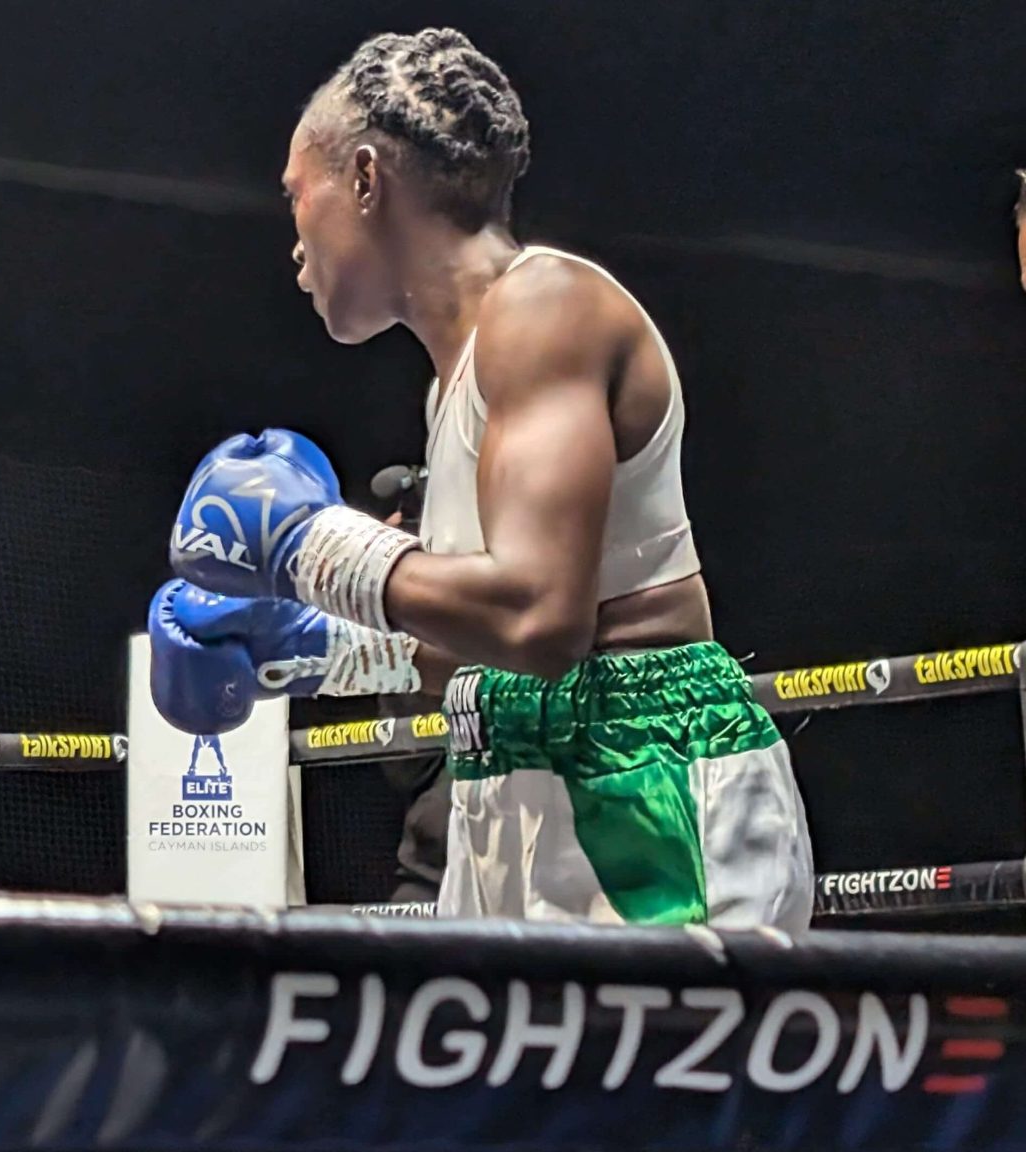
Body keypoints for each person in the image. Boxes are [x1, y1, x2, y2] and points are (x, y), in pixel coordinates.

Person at [150, 29, 812, 930]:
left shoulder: (546, 309)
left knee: (651, 1073)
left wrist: (305, 546)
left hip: (643, 785)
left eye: (295, 198)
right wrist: (317, 651)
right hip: (508, 782)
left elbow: (541, 619)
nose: (294, 246)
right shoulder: (451, 385)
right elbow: (494, 640)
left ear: (366, 180)